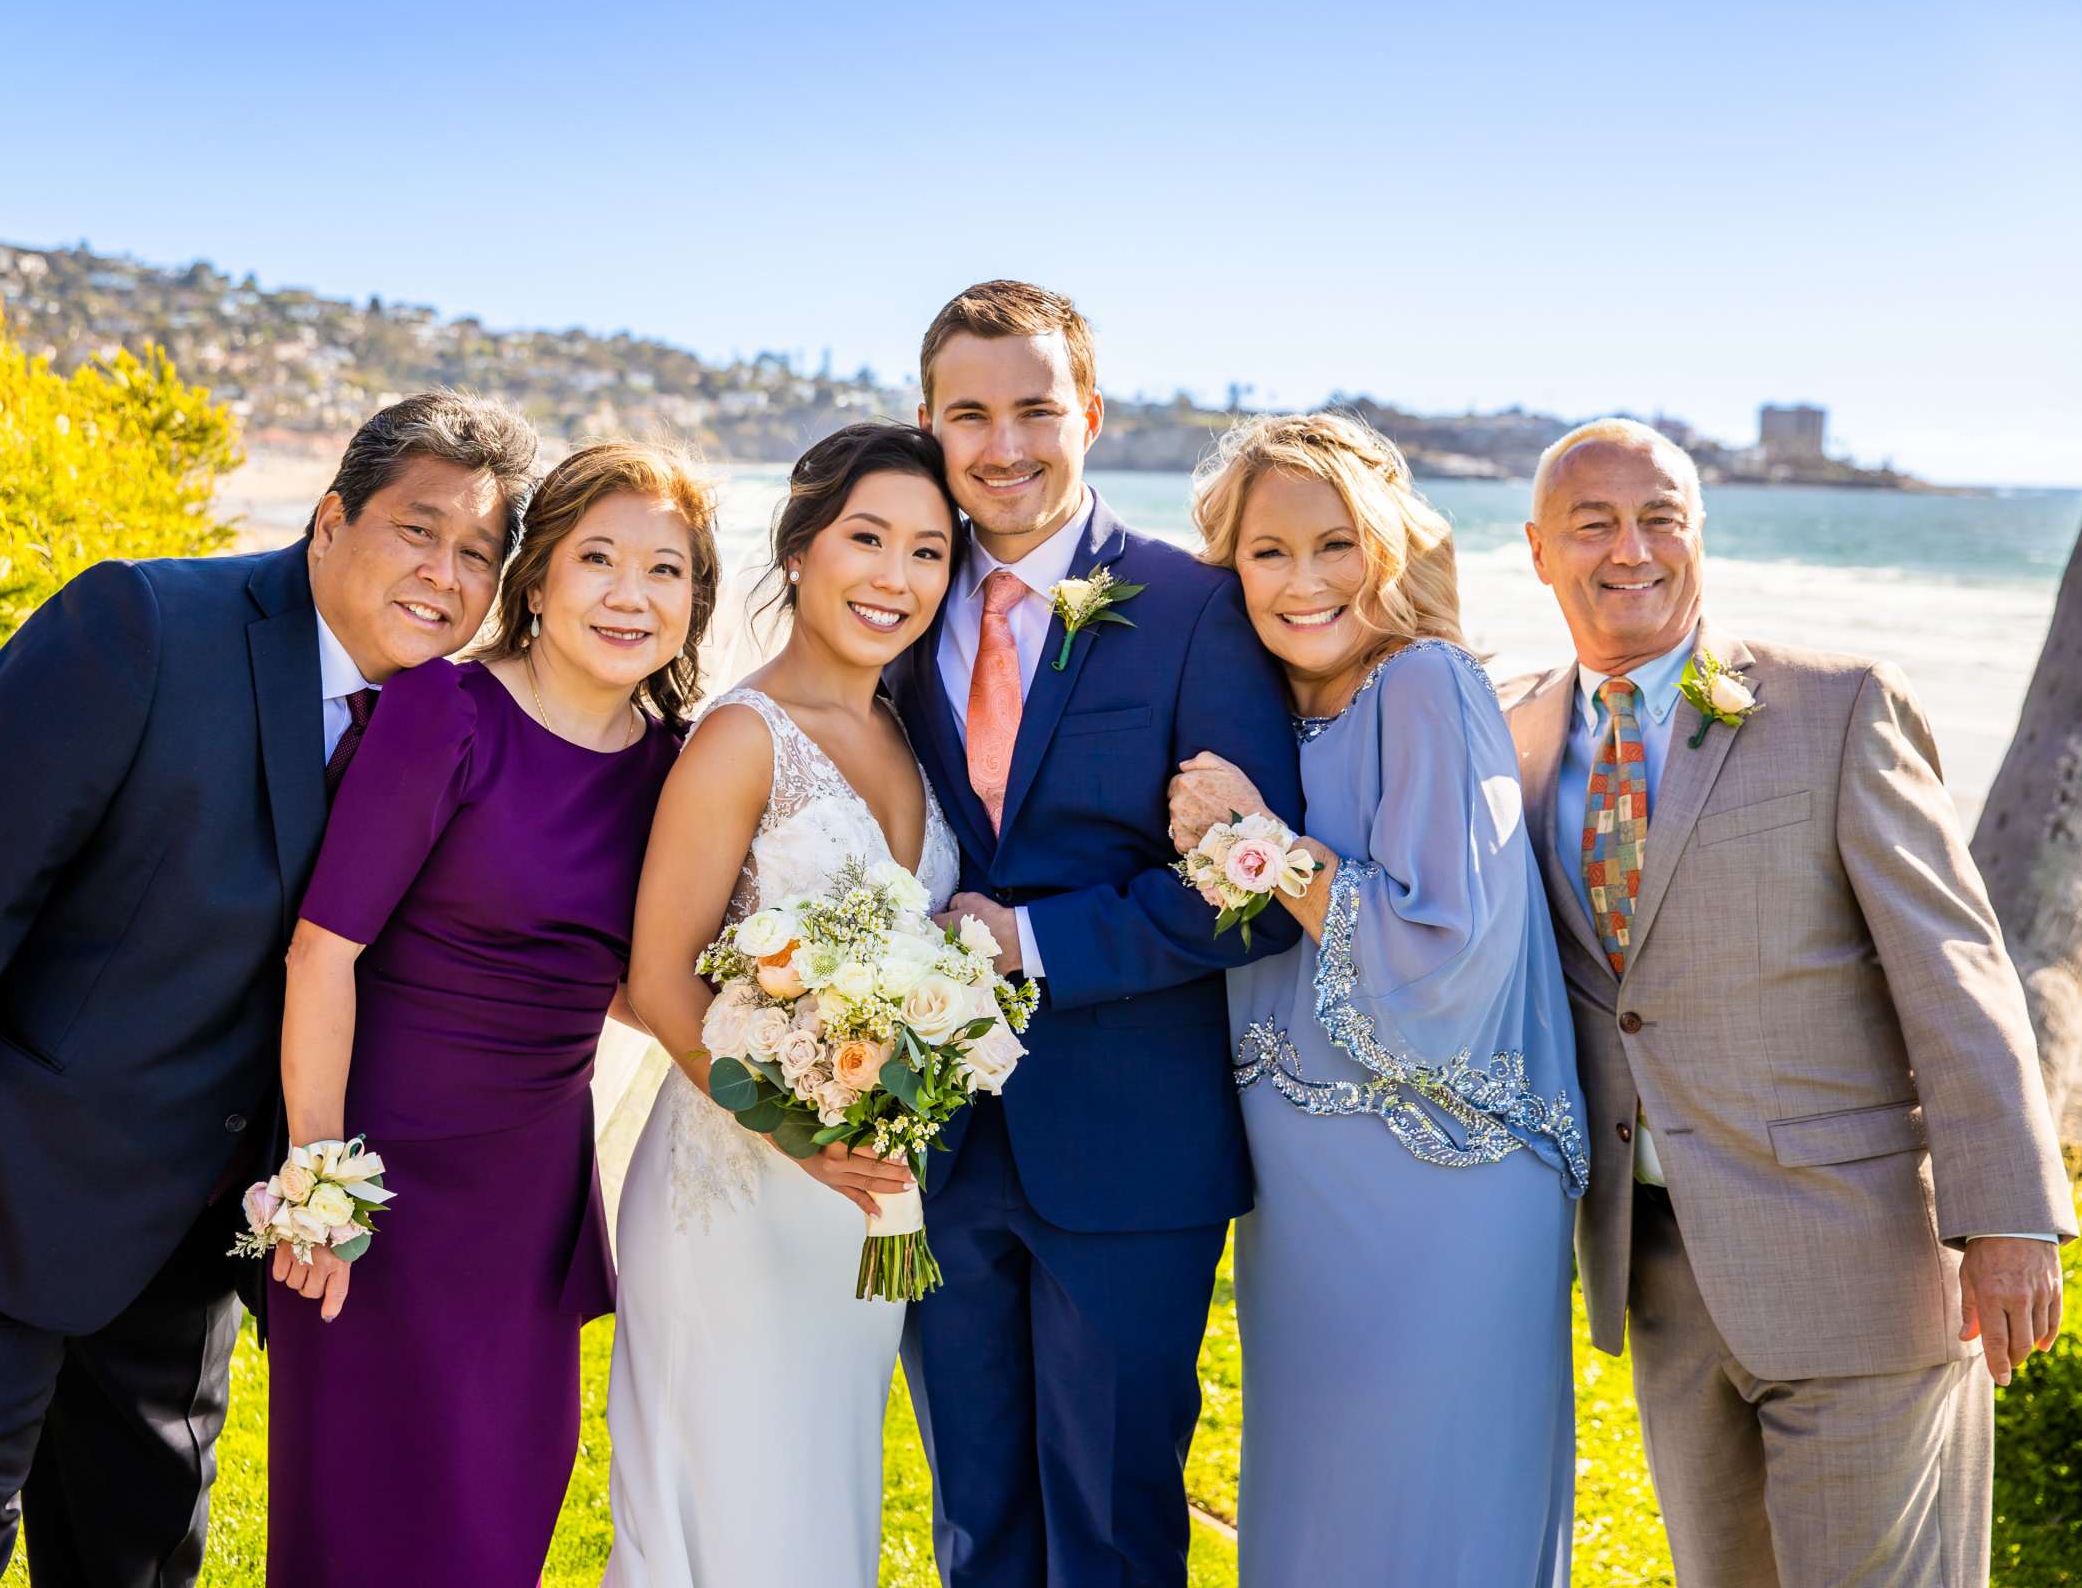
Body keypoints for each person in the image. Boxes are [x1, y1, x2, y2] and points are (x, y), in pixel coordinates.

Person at [0, 390, 538, 1586]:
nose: (445, 576)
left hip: (187, 1245)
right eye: (418, 530)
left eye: (478, 554)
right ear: (331, 518)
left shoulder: (442, 719)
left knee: (136, 1562)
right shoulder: (143, 621)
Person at [1503, 416, 2075, 1587]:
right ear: (1538, 550)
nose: (1633, 549)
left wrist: (2008, 1218)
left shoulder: (1839, 706)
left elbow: (1956, 971)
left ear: (1700, 533)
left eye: (1662, 517)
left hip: (1860, 1262)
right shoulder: (1512, 727)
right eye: (1595, 523)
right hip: (1659, 1271)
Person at [884, 281, 1303, 1586]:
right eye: (970, 414)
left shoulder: (1196, 608)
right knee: (978, 1522)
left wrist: (1034, 944)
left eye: (1034, 409)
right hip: (938, 1145)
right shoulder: (892, 599)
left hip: (1129, 1154)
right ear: (929, 424)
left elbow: (1249, 892)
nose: (1003, 443)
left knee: (1116, 1525)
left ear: (1093, 415)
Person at [266, 441, 716, 1585]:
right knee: (363, 1524)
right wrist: (319, 1174)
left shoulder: (671, 768)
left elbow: (614, 973)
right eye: (598, 559)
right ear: (538, 579)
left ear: (694, 600)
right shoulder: (443, 711)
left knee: (493, 1524)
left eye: (665, 571)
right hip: (384, 1181)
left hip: (528, 1204)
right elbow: (324, 951)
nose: (630, 595)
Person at [1164, 412, 1585, 1585]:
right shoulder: (1267, 711)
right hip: (1301, 1198)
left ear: (1388, 549)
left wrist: (1260, 843)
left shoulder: (1429, 685)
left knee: (1429, 1505)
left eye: (1336, 544)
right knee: (1317, 1499)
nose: (1304, 582)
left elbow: (1443, 956)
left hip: (1441, 1182)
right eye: (1268, 551)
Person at [603, 422, 960, 1586]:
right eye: (867, 538)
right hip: (738, 1193)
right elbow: (659, 980)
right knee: (732, 1515)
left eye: (929, 550)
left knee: (819, 1512)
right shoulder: (739, 740)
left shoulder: (909, 730)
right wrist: (799, 1137)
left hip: (855, 1215)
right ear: (801, 547)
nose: (895, 578)